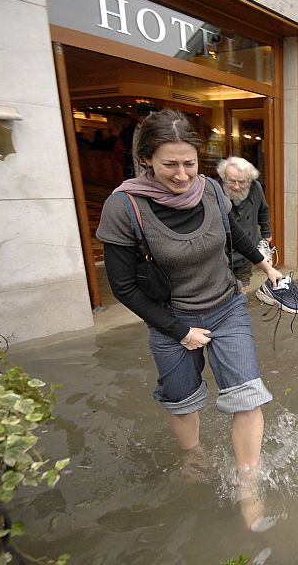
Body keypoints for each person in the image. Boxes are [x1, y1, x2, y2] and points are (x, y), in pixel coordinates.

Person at [96, 108, 281, 530]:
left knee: (248, 396)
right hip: (170, 318)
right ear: (146, 160)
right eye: (169, 164)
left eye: (189, 163)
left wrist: (265, 265)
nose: (182, 175)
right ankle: (193, 458)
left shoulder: (212, 190)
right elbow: (124, 288)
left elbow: (234, 233)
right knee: (182, 401)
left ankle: (248, 485)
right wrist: (179, 331)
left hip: (226, 305)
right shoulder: (124, 207)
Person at [217, 157, 271, 288]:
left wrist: (266, 232)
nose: (236, 186)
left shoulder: (256, 188)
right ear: (224, 177)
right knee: (223, 290)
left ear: (249, 180)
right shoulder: (215, 190)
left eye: (241, 182)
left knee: (243, 287)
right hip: (221, 255)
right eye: (231, 181)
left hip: (247, 250)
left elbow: (263, 210)